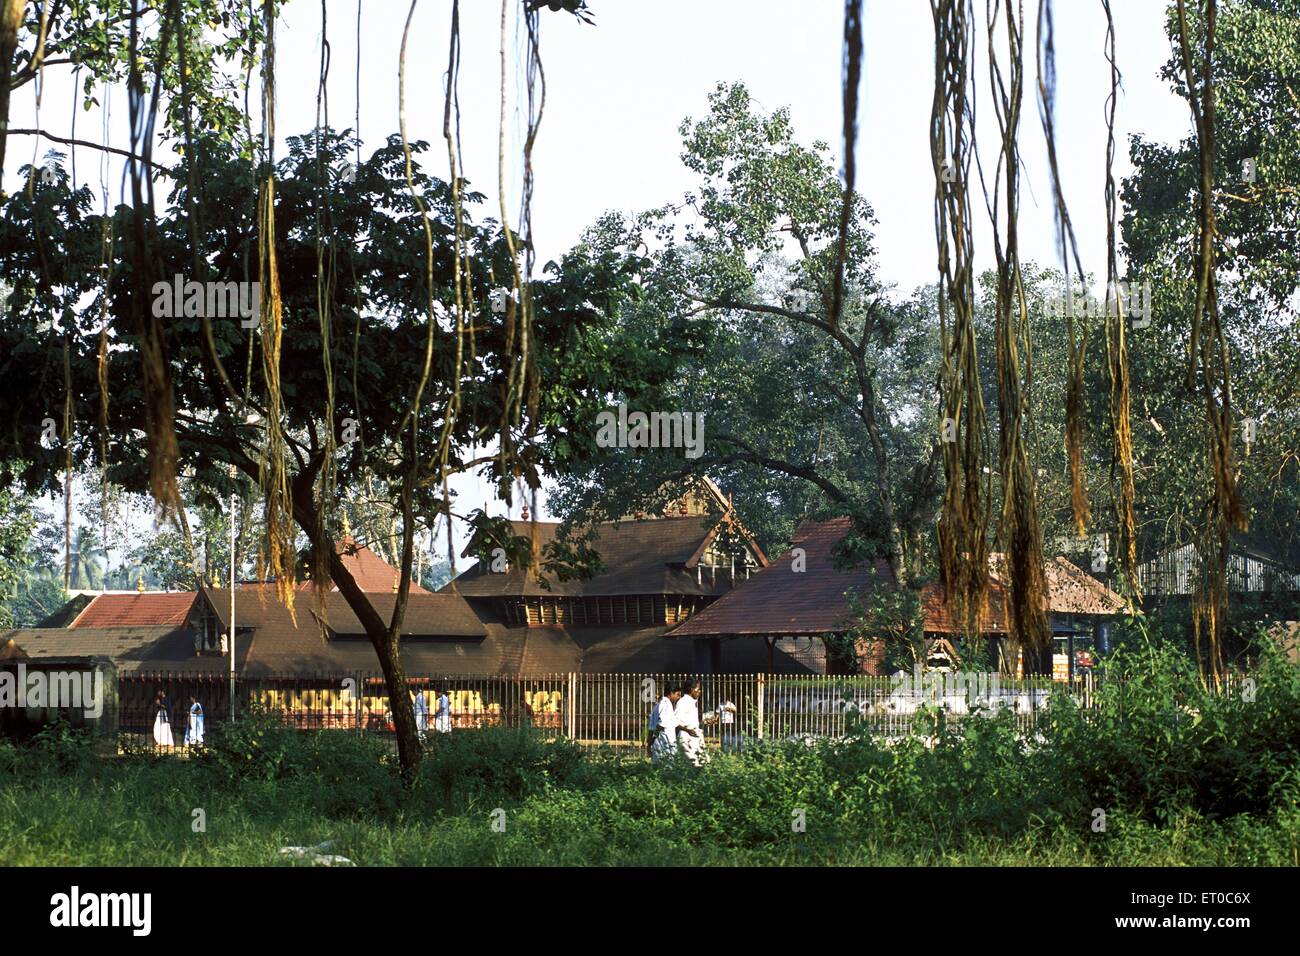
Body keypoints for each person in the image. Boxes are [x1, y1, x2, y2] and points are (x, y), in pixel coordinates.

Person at [646, 684, 681, 763]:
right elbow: (661, 725)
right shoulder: (665, 704)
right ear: (671, 693)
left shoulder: (659, 705)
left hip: (660, 742)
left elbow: (651, 727)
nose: (678, 697)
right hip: (665, 742)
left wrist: (649, 743)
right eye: (677, 695)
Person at [675, 679, 707, 766]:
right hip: (687, 737)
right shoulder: (683, 702)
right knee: (694, 765)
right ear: (691, 689)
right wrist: (688, 730)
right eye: (698, 688)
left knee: (704, 763)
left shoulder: (692, 702)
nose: (700, 691)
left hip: (695, 736)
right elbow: (676, 722)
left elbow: (691, 721)